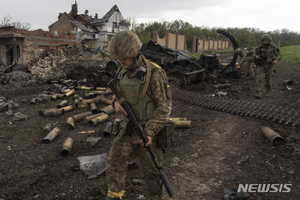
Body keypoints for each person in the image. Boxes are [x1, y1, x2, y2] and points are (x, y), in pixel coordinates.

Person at [105, 30, 172, 200]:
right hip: (126, 130)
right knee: (114, 166)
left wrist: (150, 132)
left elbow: (164, 107)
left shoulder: (155, 74)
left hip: (148, 134)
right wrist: (115, 102)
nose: (121, 61)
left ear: (135, 52)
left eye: (124, 57)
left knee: (153, 176)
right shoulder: (121, 71)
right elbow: (117, 94)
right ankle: (114, 196)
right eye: (118, 58)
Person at [254, 34, 282, 99]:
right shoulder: (259, 47)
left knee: (268, 79)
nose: (265, 42)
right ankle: (259, 92)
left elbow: (279, 54)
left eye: (266, 41)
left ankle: (267, 90)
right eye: (264, 41)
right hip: (261, 65)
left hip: (269, 65)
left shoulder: (273, 47)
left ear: (269, 41)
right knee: (259, 78)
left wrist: (276, 60)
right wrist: (256, 56)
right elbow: (254, 53)